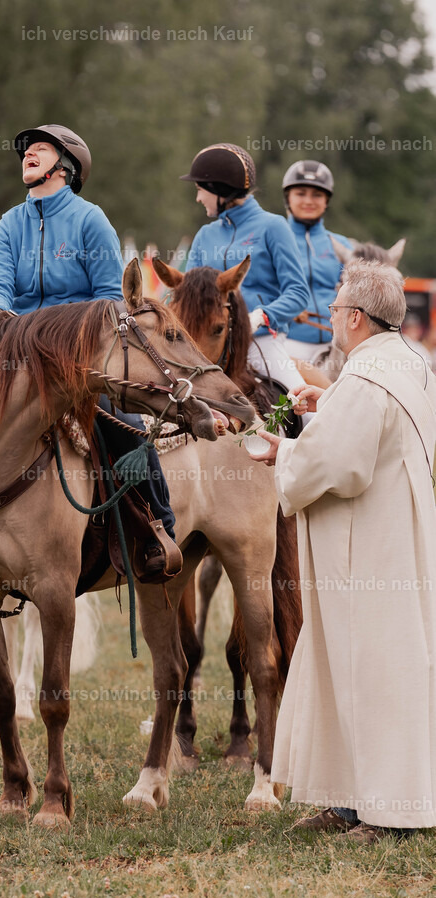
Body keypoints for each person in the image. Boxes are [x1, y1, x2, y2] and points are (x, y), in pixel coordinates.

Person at [247, 260, 436, 843]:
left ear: (354, 318)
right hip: (395, 536)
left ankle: (388, 811)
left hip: (369, 550)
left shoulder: (364, 378)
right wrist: (322, 406)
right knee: (368, 667)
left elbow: (343, 465)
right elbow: (370, 432)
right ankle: (353, 799)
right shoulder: (407, 362)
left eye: (333, 311)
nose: (330, 319)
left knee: (373, 670)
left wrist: (283, 454)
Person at [0, 123, 177, 577]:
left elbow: (111, 298)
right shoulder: (9, 224)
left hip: (79, 359)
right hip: (15, 353)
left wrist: (67, 337)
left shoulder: (91, 220)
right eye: (26, 150)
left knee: (128, 430)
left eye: (41, 149)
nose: (29, 154)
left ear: (66, 167)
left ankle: (157, 527)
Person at [182, 144, 311, 405]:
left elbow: (298, 293)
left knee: (304, 409)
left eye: (200, 190)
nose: (198, 198)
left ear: (220, 189)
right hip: (206, 345)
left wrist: (262, 316)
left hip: (260, 343)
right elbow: (185, 295)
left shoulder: (274, 227)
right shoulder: (204, 235)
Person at [282, 159, 353, 364]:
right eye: (301, 193)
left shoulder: (342, 244)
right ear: (288, 198)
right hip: (288, 341)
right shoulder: (272, 239)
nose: (309, 201)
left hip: (338, 344)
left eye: (317, 195)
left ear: (326, 201)